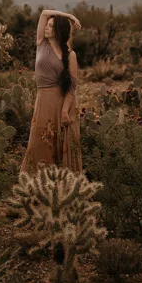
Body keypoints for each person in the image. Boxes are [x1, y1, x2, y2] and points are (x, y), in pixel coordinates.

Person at [20, 9, 83, 173]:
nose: (46, 28)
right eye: (46, 25)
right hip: (43, 101)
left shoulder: (70, 55)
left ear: (58, 30)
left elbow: (72, 85)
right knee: (40, 142)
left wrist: (65, 110)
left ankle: (63, 186)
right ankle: (37, 183)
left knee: (61, 142)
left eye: (50, 26)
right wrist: (69, 16)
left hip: (63, 103)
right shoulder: (41, 43)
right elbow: (43, 13)